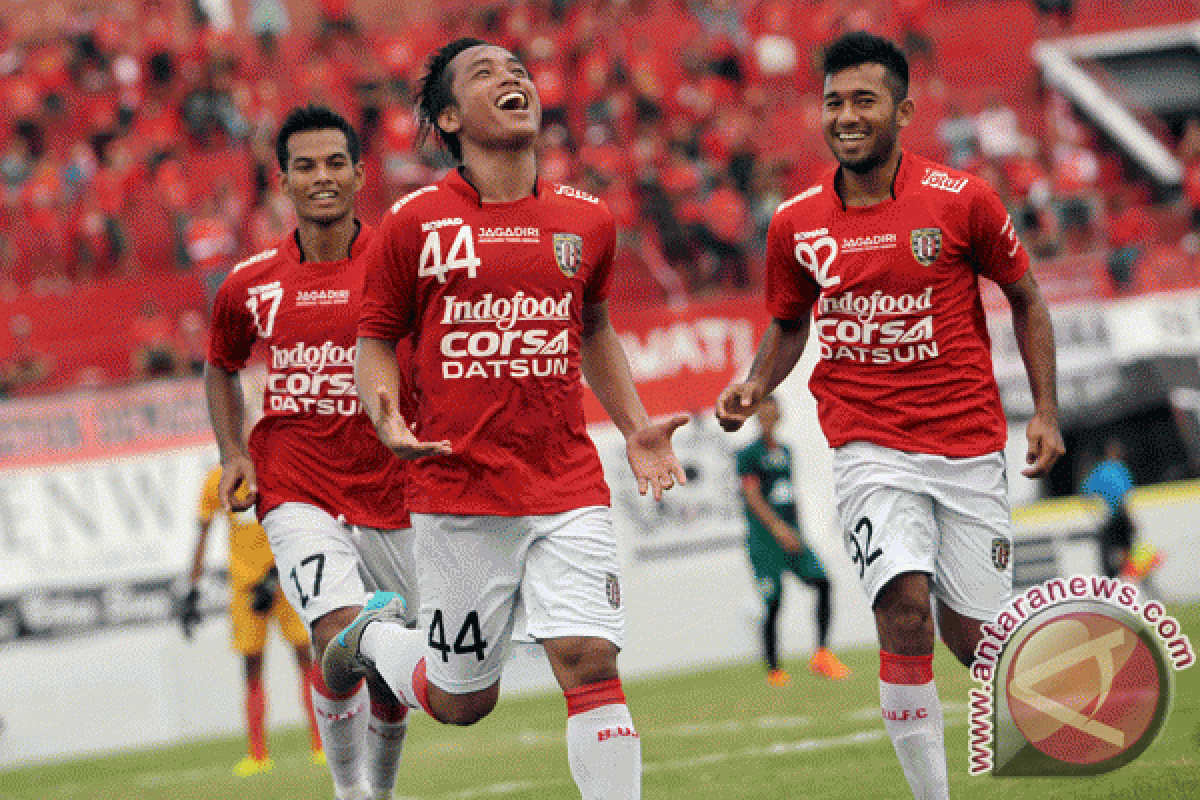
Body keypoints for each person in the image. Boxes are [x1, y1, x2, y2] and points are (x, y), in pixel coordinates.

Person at [325, 38, 689, 799]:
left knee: (589, 657)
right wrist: (384, 413)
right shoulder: (414, 223)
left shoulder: (586, 218)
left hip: (565, 479)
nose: (513, 78)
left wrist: (635, 426)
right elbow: (375, 342)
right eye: (485, 74)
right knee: (463, 701)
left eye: (518, 70)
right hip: (458, 492)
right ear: (450, 117)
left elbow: (592, 330)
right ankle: (372, 638)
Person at [715, 32, 1063, 799]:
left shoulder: (963, 199)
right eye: (834, 101)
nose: (846, 115)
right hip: (869, 446)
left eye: (864, 100)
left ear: (902, 111)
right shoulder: (795, 223)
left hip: (970, 446)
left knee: (981, 648)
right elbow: (789, 321)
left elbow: (1028, 299)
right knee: (903, 609)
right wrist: (753, 385)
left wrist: (1044, 413)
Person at [205, 105, 416, 800]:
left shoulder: (403, 264)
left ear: (360, 173)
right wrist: (235, 451)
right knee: (339, 632)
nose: (320, 177)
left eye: (334, 163)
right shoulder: (250, 282)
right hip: (295, 480)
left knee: (386, 666)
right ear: (283, 182)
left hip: (393, 482)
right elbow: (220, 365)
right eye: (304, 166)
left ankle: (374, 792)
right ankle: (349, 791)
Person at [180, 464, 323, 777]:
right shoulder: (216, 481)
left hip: (285, 582)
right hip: (245, 588)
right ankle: (258, 755)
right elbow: (202, 533)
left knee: (306, 659)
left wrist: (274, 575)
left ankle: (321, 745)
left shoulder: (272, 469)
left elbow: (296, 523)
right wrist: (192, 589)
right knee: (252, 667)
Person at [737, 394, 849, 686]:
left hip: (793, 537)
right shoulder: (748, 454)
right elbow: (752, 496)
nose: (768, 417)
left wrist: (796, 529)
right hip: (766, 542)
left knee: (823, 582)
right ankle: (774, 670)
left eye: (772, 410)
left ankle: (822, 654)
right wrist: (777, 528)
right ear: (756, 417)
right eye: (762, 412)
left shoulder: (786, 451)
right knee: (773, 601)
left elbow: (789, 494)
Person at [1080, 438, 1136, 579]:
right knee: (1126, 549)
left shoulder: (1098, 470)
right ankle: (1123, 576)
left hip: (1104, 520)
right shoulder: (1121, 470)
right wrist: (1130, 518)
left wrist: (1095, 514)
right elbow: (1124, 497)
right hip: (1119, 517)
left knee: (1107, 554)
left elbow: (1085, 492)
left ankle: (1110, 582)